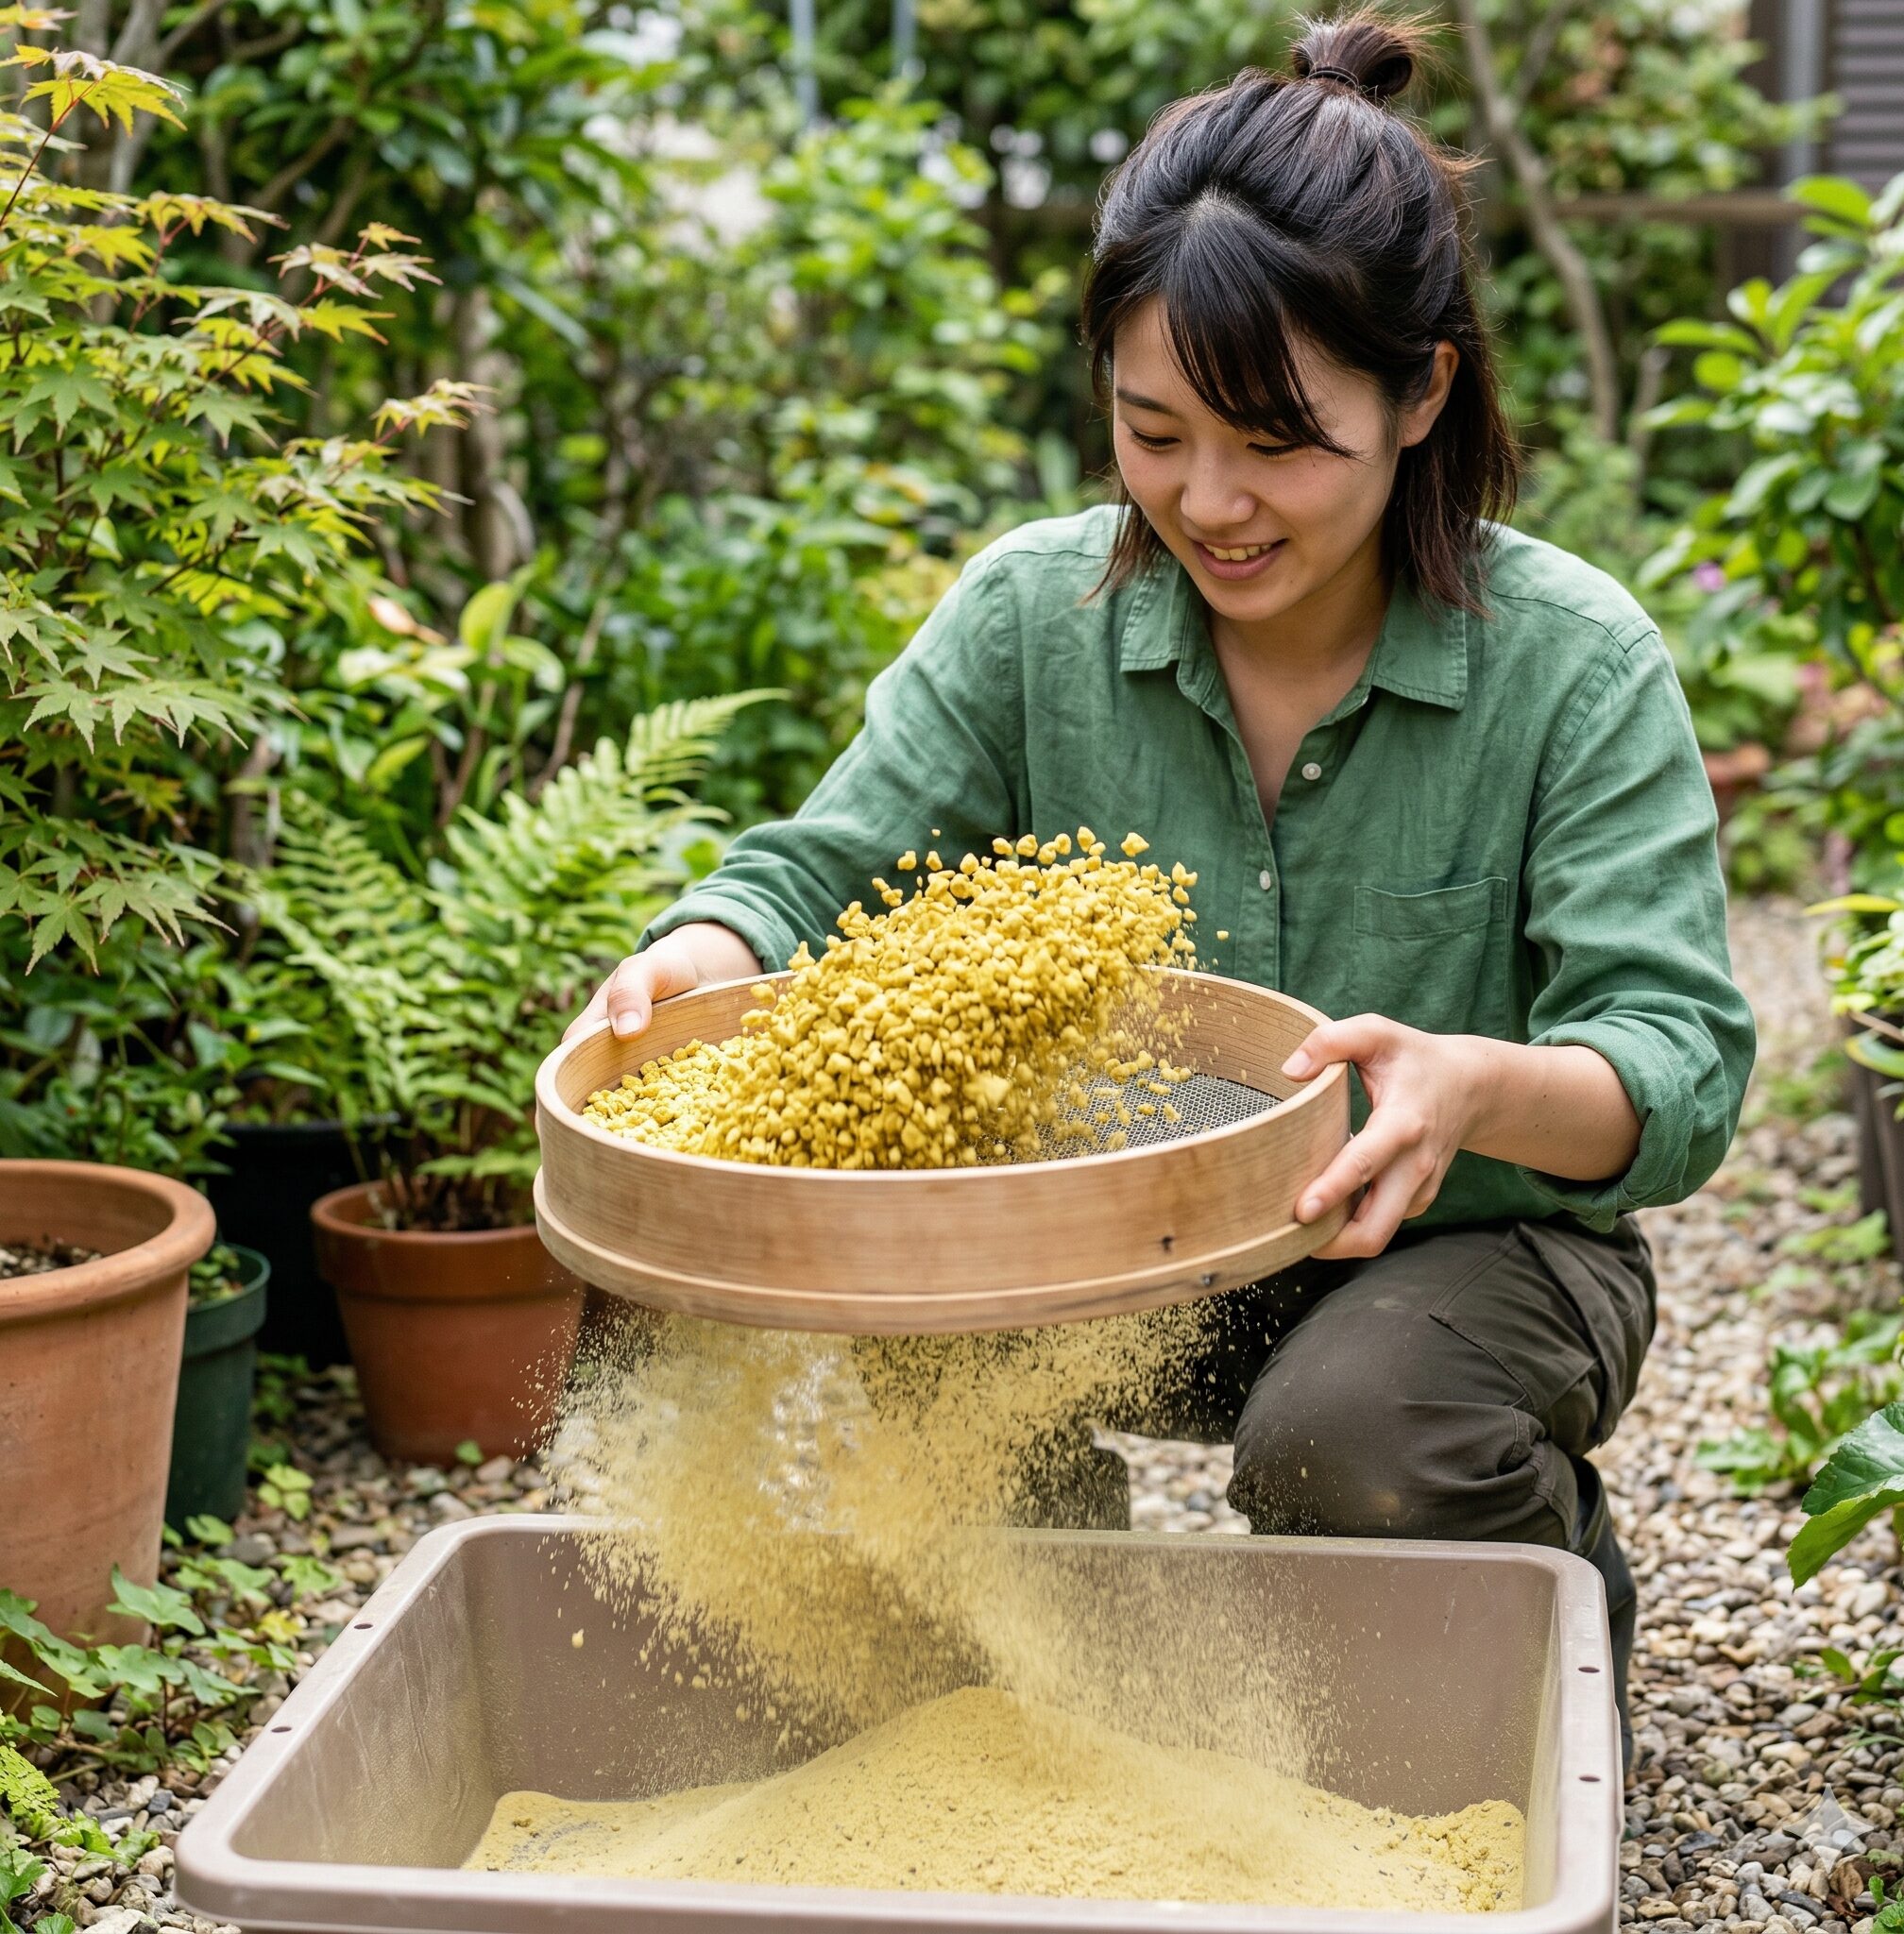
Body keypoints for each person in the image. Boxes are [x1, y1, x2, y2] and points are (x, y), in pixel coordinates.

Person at [564, 10, 1755, 1763]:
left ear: (1421, 391)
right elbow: (823, 870)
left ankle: (1539, 1622)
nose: (1211, 502)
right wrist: (697, 953)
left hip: (1465, 1241)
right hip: (1117, 1228)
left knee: (1351, 1438)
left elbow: (1677, 1065)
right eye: (1153, 429)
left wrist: (1471, 1083)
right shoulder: (1033, 622)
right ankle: (1052, 1707)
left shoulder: (1570, 665)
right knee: (928, 1337)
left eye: (1278, 440)